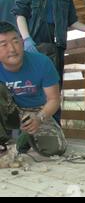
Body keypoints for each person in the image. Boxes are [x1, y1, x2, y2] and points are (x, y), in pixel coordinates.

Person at [0, 21, 66, 157]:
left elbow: (54, 99)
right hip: (8, 110)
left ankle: (26, 136)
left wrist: (39, 118)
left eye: (15, 41)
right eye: (3, 44)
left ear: (22, 42)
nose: (12, 49)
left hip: (37, 111)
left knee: (55, 149)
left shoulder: (42, 62)